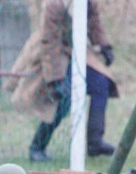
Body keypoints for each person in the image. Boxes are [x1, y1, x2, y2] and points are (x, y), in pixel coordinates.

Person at [7, 0, 119, 162]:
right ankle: (37, 147)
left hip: (77, 50)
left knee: (101, 83)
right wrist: (55, 79)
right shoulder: (54, 4)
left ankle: (95, 142)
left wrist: (104, 45)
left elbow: (94, 22)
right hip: (51, 53)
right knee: (64, 100)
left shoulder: (88, 2)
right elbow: (49, 42)